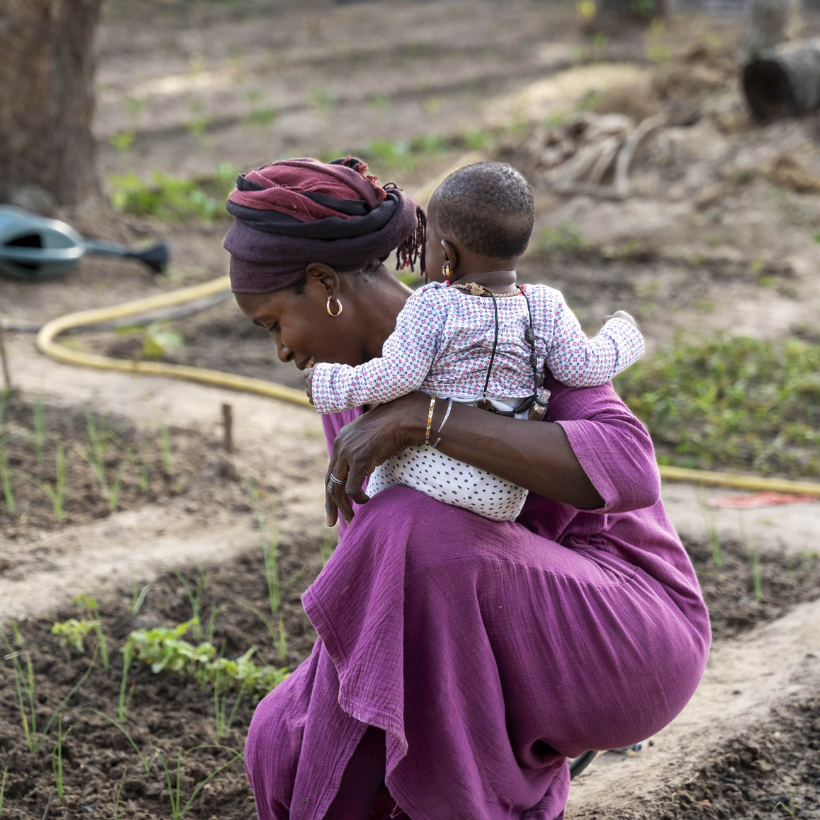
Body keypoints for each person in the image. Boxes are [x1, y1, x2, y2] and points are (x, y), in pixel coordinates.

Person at [224, 156, 711, 820]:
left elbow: (627, 469)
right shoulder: (352, 391)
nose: (282, 351)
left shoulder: (517, 324)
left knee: (416, 530)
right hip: (489, 632)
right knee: (284, 735)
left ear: (325, 283)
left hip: (624, 628)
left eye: (275, 323)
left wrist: (428, 420)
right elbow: (391, 595)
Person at [305, 162, 645, 521]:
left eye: (429, 245)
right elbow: (583, 367)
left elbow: (399, 374)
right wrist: (622, 333)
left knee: (370, 513)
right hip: (504, 492)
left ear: (448, 256)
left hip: (430, 470)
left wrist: (330, 383)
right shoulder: (545, 305)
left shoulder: (433, 303)